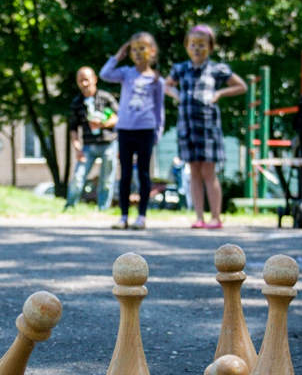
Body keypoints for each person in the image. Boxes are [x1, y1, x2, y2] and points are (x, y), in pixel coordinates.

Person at [165, 25, 247, 229]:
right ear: (186, 47)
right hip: (187, 127)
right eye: (193, 44)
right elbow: (166, 85)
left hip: (208, 127)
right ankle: (199, 217)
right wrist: (178, 97)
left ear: (210, 47)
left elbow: (241, 86)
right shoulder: (181, 69)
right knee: (194, 172)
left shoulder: (217, 69)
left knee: (209, 173)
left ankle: (216, 217)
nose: (197, 48)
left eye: (202, 45)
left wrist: (219, 94)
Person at [100, 32, 165, 230]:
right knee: (125, 173)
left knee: (144, 174)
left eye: (142, 48)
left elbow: (159, 108)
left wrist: (158, 132)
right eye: (134, 49)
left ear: (152, 52)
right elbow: (104, 74)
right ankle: (124, 215)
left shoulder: (156, 80)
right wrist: (117, 56)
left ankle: (142, 215)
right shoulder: (126, 73)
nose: (137, 53)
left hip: (146, 130)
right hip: (125, 130)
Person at [64, 67, 119, 211]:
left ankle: (103, 208)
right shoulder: (77, 103)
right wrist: (77, 148)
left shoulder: (106, 98)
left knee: (106, 179)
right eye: (81, 80)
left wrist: (102, 124)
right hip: (88, 146)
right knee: (78, 176)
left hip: (108, 143)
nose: (84, 83)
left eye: (86, 79)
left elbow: (118, 118)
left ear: (94, 79)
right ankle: (70, 207)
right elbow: (73, 129)